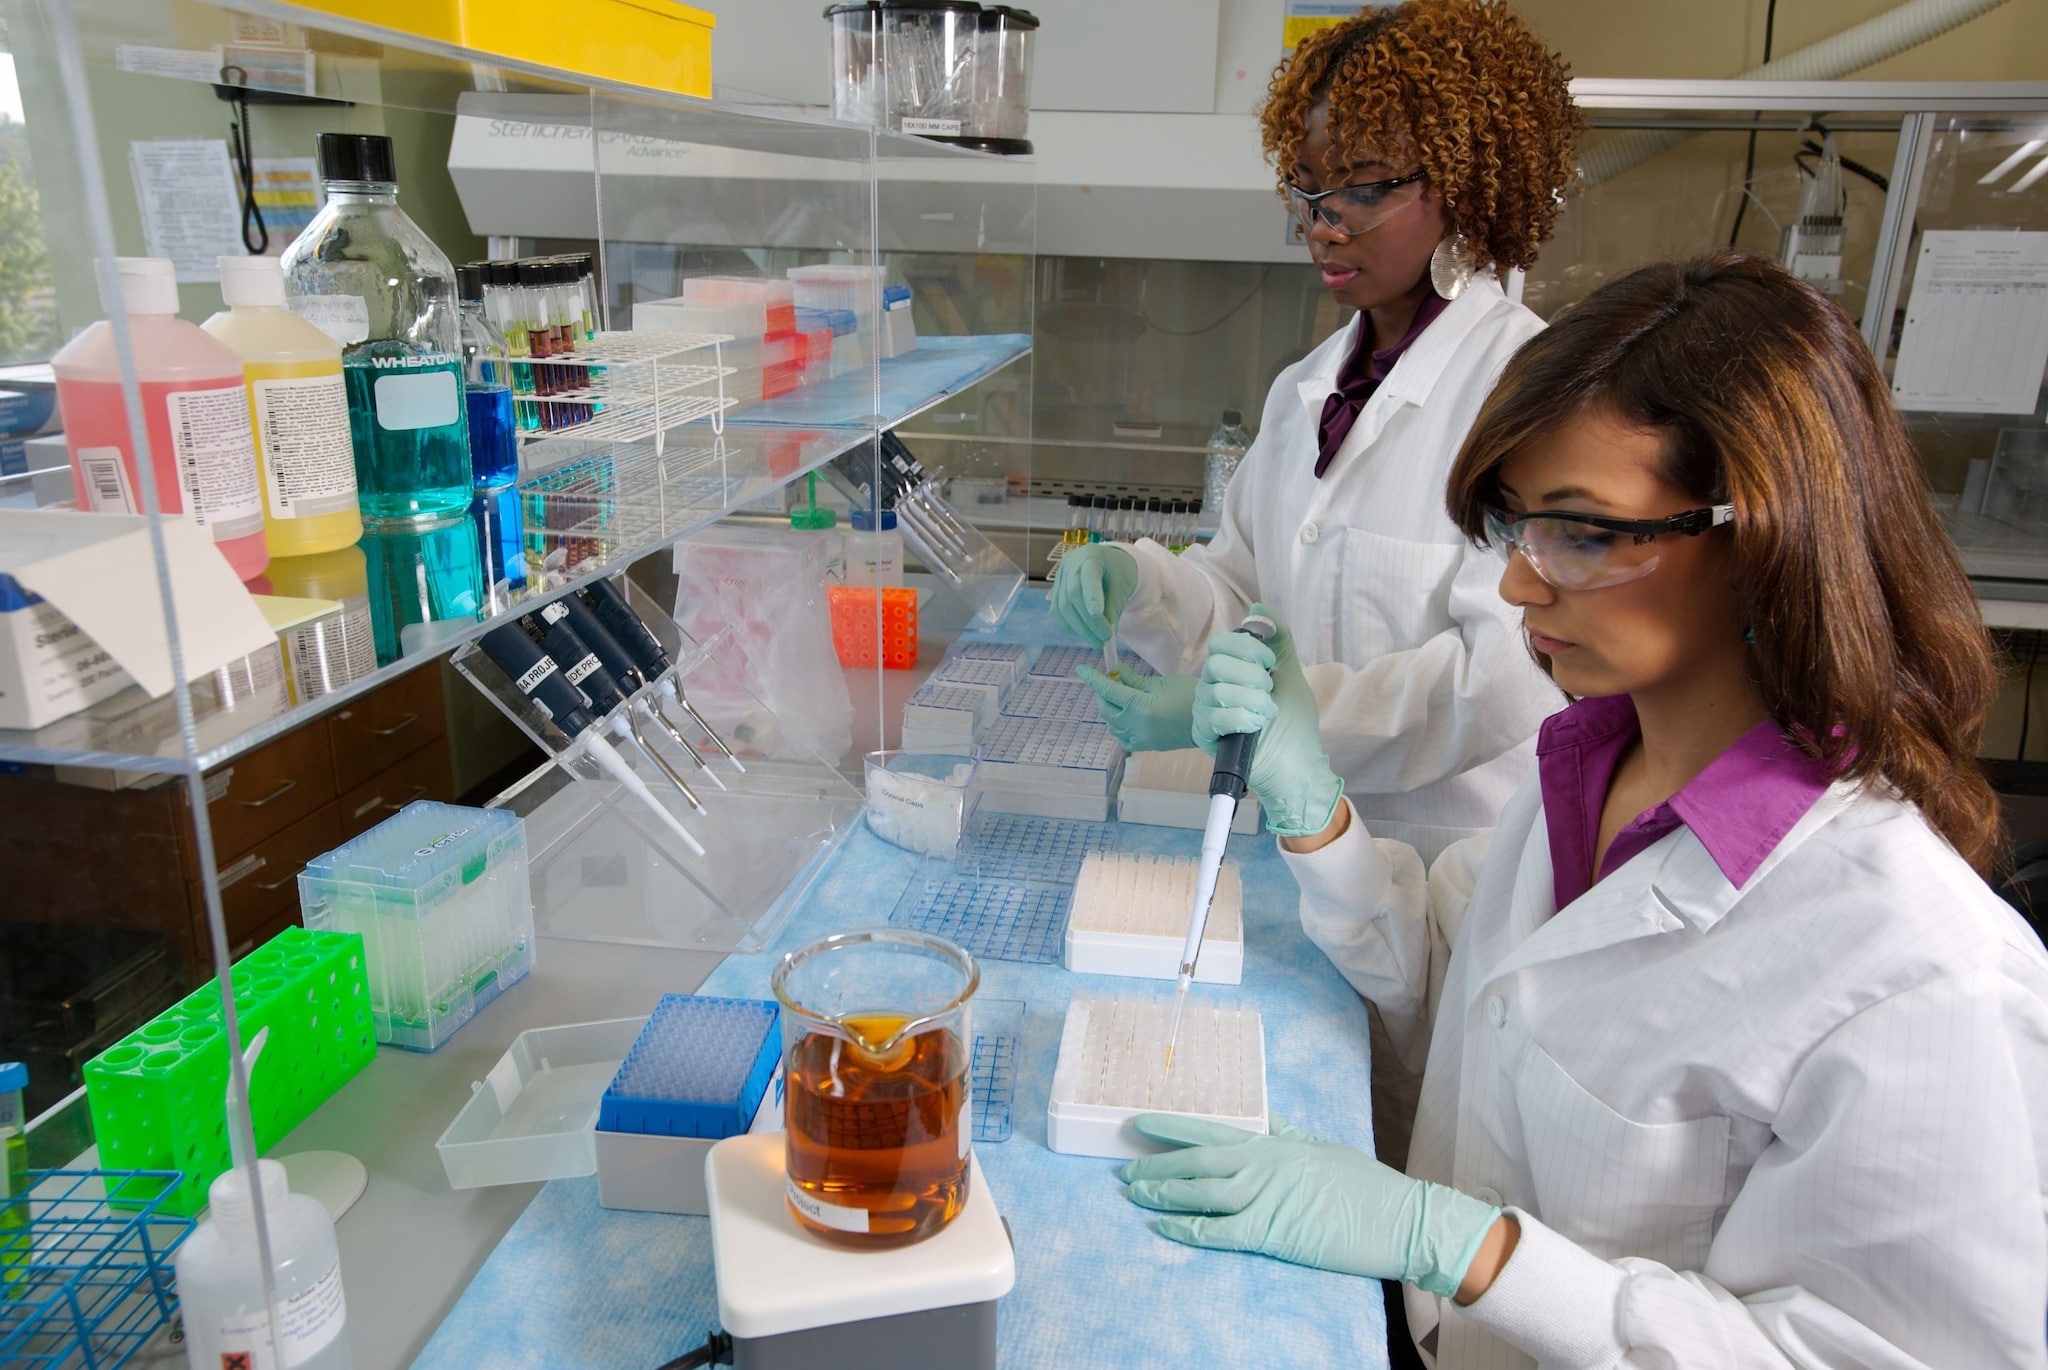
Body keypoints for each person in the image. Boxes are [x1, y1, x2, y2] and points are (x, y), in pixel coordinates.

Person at [1118, 253, 2048, 1368]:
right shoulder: (1591, 764)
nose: (1517, 583)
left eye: (1583, 533)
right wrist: (1312, 811)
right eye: (1514, 526)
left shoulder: (1920, 967)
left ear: (1764, 536)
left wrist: (1471, 1251)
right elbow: (1465, 1001)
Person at [1053, 0, 1582, 865]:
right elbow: (1244, 593)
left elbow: (1506, 681)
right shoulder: (1309, 386)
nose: (1324, 223)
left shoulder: (1526, 393)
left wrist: (1282, 721)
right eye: (1308, 187)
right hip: (1298, 848)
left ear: (1462, 183)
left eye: (1366, 188)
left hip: (1450, 858)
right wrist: (1140, 583)